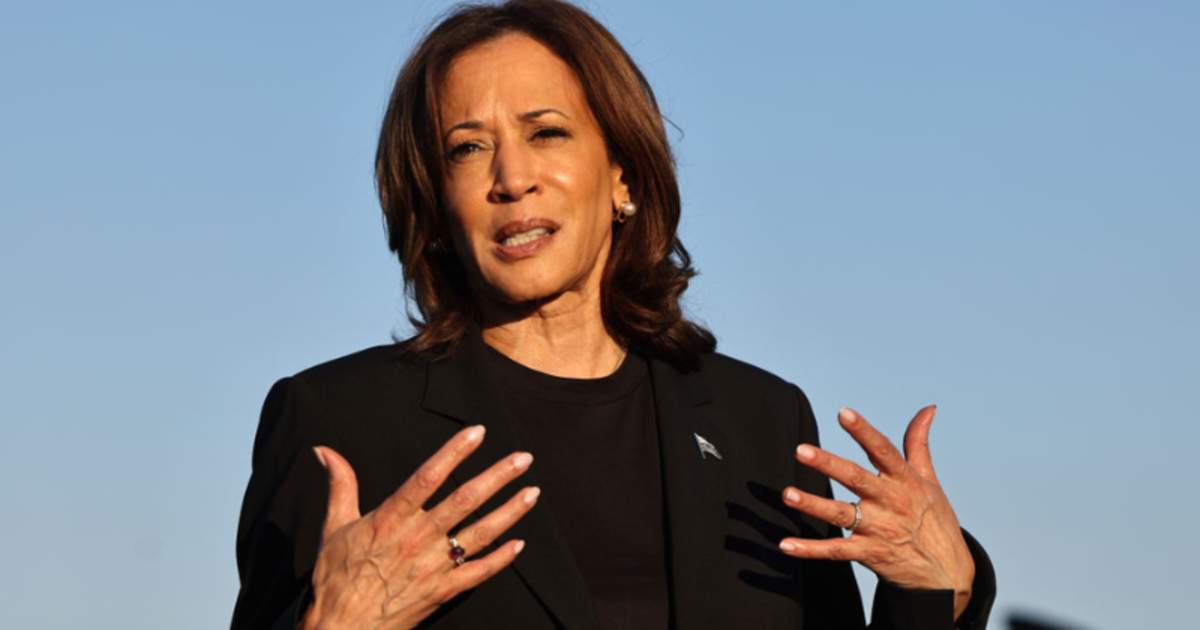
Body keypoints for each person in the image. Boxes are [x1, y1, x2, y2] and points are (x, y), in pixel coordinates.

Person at [231, 1, 997, 628]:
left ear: (623, 174)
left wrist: (939, 589)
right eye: (467, 149)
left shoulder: (759, 423)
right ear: (433, 207)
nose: (512, 179)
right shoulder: (339, 424)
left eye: (547, 132)